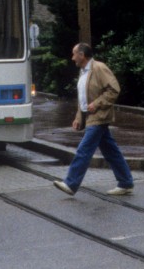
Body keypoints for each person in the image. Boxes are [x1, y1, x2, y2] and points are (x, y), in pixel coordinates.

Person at [53, 42, 135, 196]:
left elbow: (114, 89)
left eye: (74, 54)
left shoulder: (99, 68)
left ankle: (71, 183)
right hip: (91, 117)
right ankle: (126, 182)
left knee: (84, 150)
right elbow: (83, 97)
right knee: (111, 151)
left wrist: (97, 104)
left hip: (99, 116)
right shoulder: (83, 72)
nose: (72, 58)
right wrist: (79, 117)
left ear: (82, 55)